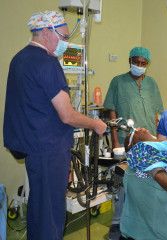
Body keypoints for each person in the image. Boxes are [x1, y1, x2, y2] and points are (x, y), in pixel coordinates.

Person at [3, 11, 107, 240]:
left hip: (33, 148)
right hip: (48, 150)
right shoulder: (48, 63)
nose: (66, 43)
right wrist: (95, 124)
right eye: (64, 36)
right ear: (46, 32)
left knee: (39, 209)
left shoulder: (19, 59)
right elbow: (68, 115)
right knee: (50, 214)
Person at [103, 47, 163, 240]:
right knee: (123, 184)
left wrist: (158, 141)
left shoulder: (152, 84)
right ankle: (117, 223)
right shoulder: (118, 82)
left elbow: (156, 115)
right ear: (129, 60)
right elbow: (111, 112)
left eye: (143, 63)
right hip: (125, 142)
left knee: (145, 184)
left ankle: (139, 225)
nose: (139, 66)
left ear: (148, 65)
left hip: (148, 142)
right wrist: (114, 142)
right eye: (136, 62)